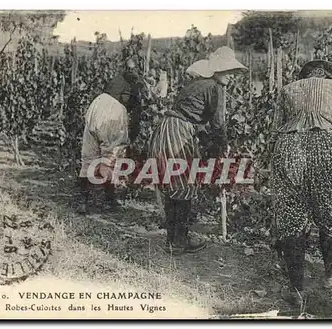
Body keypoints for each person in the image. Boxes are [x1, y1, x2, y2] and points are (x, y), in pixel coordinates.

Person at [148, 46, 247, 255]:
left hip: (165, 129)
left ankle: (172, 239)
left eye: (231, 72)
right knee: (184, 184)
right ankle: (179, 241)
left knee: (173, 183)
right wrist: (221, 149)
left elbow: (197, 119)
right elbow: (218, 124)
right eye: (227, 71)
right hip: (180, 132)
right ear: (217, 70)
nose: (230, 76)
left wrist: (206, 140)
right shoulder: (215, 88)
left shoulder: (196, 84)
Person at [270, 60, 332, 303]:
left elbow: (276, 128)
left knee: (290, 215)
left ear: (305, 75)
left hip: (290, 147)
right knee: (331, 212)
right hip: (329, 145)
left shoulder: (287, 89)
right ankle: (330, 277)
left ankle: (296, 288)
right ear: (327, 75)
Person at [78, 58, 147, 213]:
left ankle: (83, 201)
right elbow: (134, 109)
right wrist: (131, 135)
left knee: (89, 156)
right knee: (111, 156)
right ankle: (109, 200)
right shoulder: (136, 83)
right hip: (114, 111)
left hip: (97, 105)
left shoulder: (117, 78)